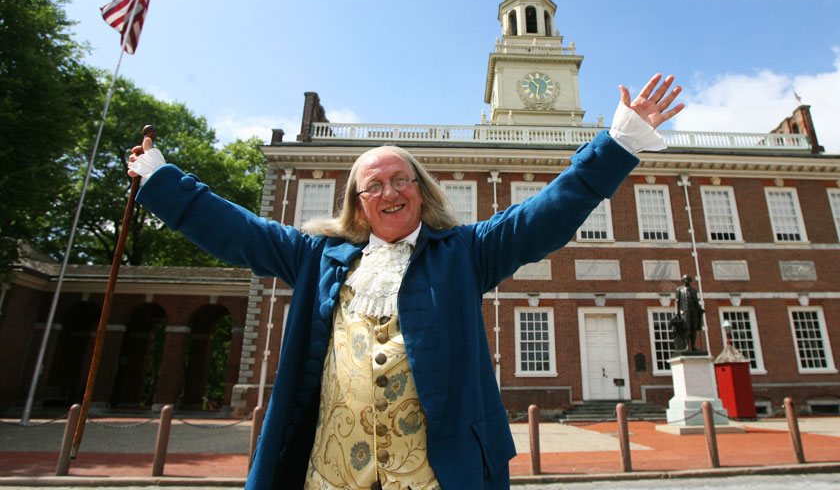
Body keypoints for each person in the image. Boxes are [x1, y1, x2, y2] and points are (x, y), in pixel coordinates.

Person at [129, 73, 684, 490]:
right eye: (375, 185)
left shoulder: (465, 252)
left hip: (435, 474)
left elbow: (547, 212)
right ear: (358, 202)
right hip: (332, 470)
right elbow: (236, 229)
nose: (391, 191)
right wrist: (161, 179)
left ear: (421, 191)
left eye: (403, 179)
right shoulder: (315, 255)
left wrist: (617, 142)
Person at [671, 274, 704, 353]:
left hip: (694, 312)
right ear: (683, 281)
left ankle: (693, 346)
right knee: (686, 328)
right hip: (685, 312)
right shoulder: (679, 290)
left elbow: (696, 301)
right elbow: (677, 302)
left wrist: (700, 309)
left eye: (688, 280)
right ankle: (686, 346)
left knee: (693, 329)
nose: (686, 281)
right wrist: (677, 313)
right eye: (685, 280)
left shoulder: (693, 290)